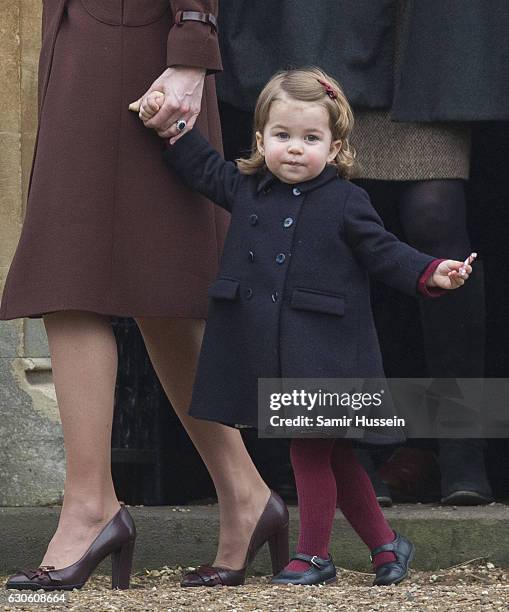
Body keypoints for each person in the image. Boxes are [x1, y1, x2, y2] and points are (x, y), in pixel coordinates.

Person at [138, 67, 474, 586]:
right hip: (272, 350)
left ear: (335, 147)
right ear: (261, 139)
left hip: (328, 353)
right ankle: (387, 545)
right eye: (283, 136)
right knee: (335, 453)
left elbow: (385, 253)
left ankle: (315, 553)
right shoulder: (248, 187)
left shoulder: (346, 201)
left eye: (310, 138)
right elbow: (204, 170)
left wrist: (432, 270)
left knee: (308, 448)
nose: (295, 149)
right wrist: (173, 130)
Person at [4, 0, 288, 591]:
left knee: (71, 278)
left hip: (138, 43)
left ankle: (89, 507)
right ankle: (244, 493)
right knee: (149, 289)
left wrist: (190, 40)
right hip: (84, 39)